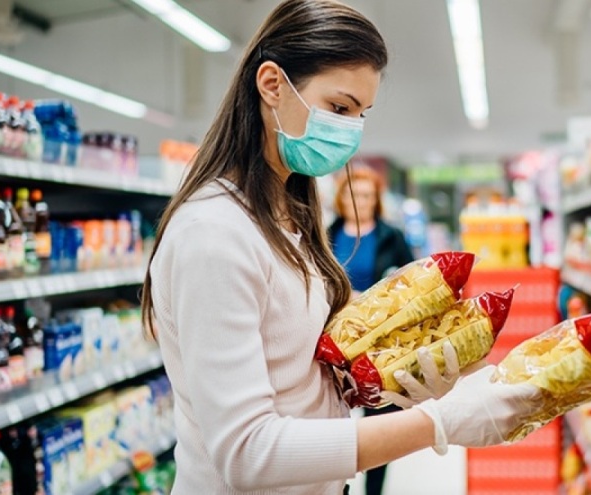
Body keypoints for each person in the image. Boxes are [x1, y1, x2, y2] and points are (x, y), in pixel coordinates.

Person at [140, 1, 539, 494]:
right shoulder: (213, 234)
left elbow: (296, 378)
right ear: (271, 85)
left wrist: (389, 381)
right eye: (339, 108)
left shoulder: (290, 216)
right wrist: (437, 424)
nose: (351, 130)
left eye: (361, 114)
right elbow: (245, 453)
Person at [328, 167, 413, 495]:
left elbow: (412, 282)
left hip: (381, 343)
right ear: (341, 199)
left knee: (378, 418)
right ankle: (338, 484)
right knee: (333, 417)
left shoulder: (392, 237)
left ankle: (373, 490)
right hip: (337, 340)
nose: (359, 201)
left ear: (376, 200)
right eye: (353, 194)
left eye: (366, 195)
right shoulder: (327, 233)